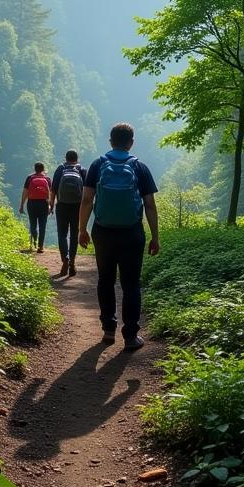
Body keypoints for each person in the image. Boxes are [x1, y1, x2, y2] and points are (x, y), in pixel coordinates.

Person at [78, 123, 159, 351]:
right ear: (131, 142)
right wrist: (155, 236)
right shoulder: (139, 167)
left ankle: (108, 330)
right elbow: (150, 205)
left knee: (105, 279)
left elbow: (87, 200)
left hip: (103, 231)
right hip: (132, 232)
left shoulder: (98, 164)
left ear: (110, 141)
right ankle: (131, 336)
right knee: (131, 284)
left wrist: (82, 229)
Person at [50, 149, 87, 277]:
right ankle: (72, 262)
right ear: (77, 158)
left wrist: (51, 205)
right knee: (74, 234)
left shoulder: (60, 169)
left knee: (62, 234)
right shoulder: (82, 170)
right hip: (77, 207)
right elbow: (87, 192)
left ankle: (64, 259)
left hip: (62, 206)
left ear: (65, 158)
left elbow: (53, 189)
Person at [19, 162, 51, 253]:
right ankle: (40, 247)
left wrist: (22, 205)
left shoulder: (30, 178)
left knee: (33, 224)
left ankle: (34, 243)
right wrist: (50, 206)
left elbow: (25, 192)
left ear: (34, 168)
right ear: (43, 169)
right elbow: (50, 194)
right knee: (42, 225)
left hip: (32, 203)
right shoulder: (47, 179)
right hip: (43, 204)